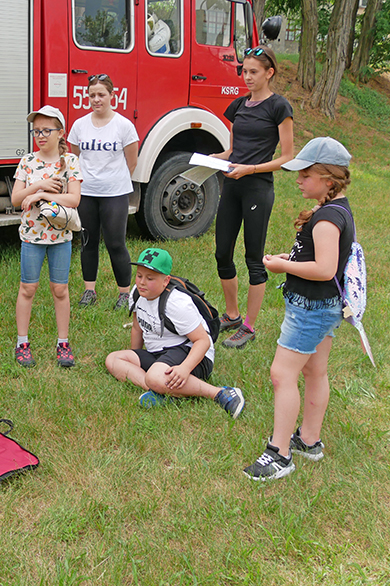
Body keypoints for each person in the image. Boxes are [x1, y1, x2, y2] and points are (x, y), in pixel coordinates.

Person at [243, 137, 354, 481]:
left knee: (282, 374)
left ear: (328, 179)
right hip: (325, 306)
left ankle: (280, 454)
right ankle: (309, 440)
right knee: (314, 371)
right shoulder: (335, 209)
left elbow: (324, 269)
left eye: (306, 175)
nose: (299, 180)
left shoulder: (326, 218)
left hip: (311, 308)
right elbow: (321, 261)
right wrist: (288, 258)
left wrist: (282, 267)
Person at [211, 46, 294, 348]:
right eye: (244, 71)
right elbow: (232, 151)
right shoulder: (238, 106)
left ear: (269, 73)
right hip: (232, 185)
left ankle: (249, 325)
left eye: (253, 71)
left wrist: (251, 169)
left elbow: (286, 157)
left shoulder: (279, 107)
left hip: (258, 186)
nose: (247, 76)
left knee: (253, 258)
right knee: (222, 252)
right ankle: (231, 314)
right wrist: (213, 158)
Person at [105, 247, 245, 417]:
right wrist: (135, 355)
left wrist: (185, 369)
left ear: (166, 281)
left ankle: (221, 393)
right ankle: (159, 390)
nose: (141, 282)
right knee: (113, 359)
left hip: (191, 353)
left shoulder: (177, 302)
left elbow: (203, 341)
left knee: (155, 376)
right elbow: (137, 327)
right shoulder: (136, 293)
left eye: (150, 278)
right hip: (158, 354)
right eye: (139, 275)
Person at [11, 106, 82, 368]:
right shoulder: (28, 161)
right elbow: (16, 198)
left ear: (60, 132)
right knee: (27, 288)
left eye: (46, 130)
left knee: (60, 289)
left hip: (60, 237)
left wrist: (41, 196)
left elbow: (74, 199)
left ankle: (63, 342)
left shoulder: (70, 162)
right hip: (31, 236)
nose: (40, 136)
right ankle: (22, 343)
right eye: (36, 131)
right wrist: (39, 185)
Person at [67, 74, 139, 310]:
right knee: (88, 242)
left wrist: (113, 180)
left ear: (112, 96)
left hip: (115, 193)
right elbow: (74, 158)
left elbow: (132, 162)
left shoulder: (124, 126)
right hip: (86, 193)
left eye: (101, 95)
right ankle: (90, 290)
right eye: (92, 95)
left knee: (115, 243)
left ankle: (124, 294)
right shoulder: (79, 125)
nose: (96, 99)